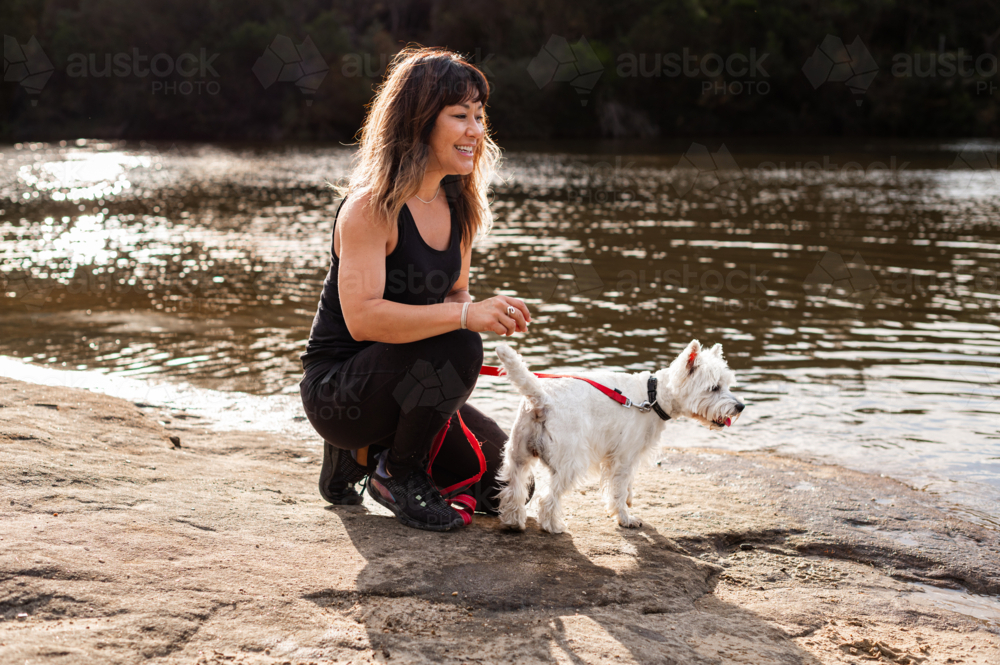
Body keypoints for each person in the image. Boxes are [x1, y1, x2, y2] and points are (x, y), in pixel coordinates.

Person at [299, 46, 531, 532]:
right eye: (460, 116)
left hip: (409, 381)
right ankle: (396, 472)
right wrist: (468, 320)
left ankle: (362, 454)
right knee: (462, 340)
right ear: (419, 121)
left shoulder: (459, 204)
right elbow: (363, 318)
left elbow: (456, 297)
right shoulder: (370, 208)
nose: (476, 130)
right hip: (341, 392)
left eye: (480, 116)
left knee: (510, 486)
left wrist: (482, 312)